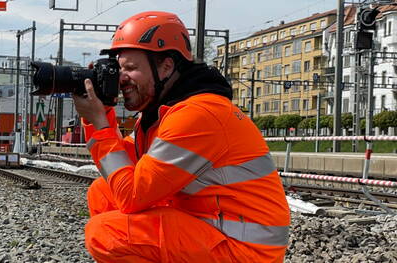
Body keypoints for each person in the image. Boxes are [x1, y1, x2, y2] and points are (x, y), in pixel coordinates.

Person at [73, 11, 290, 262]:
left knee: (106, 233)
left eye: (131, 68)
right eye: (119, 69)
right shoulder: (161, 113)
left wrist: (100, 126)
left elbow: (131, 195)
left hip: (244, 250)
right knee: (102, 192)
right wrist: (101, 113)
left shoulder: (198, 114)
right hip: (209, 229)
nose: (122, 79)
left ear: (166, 66)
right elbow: (124, 166)